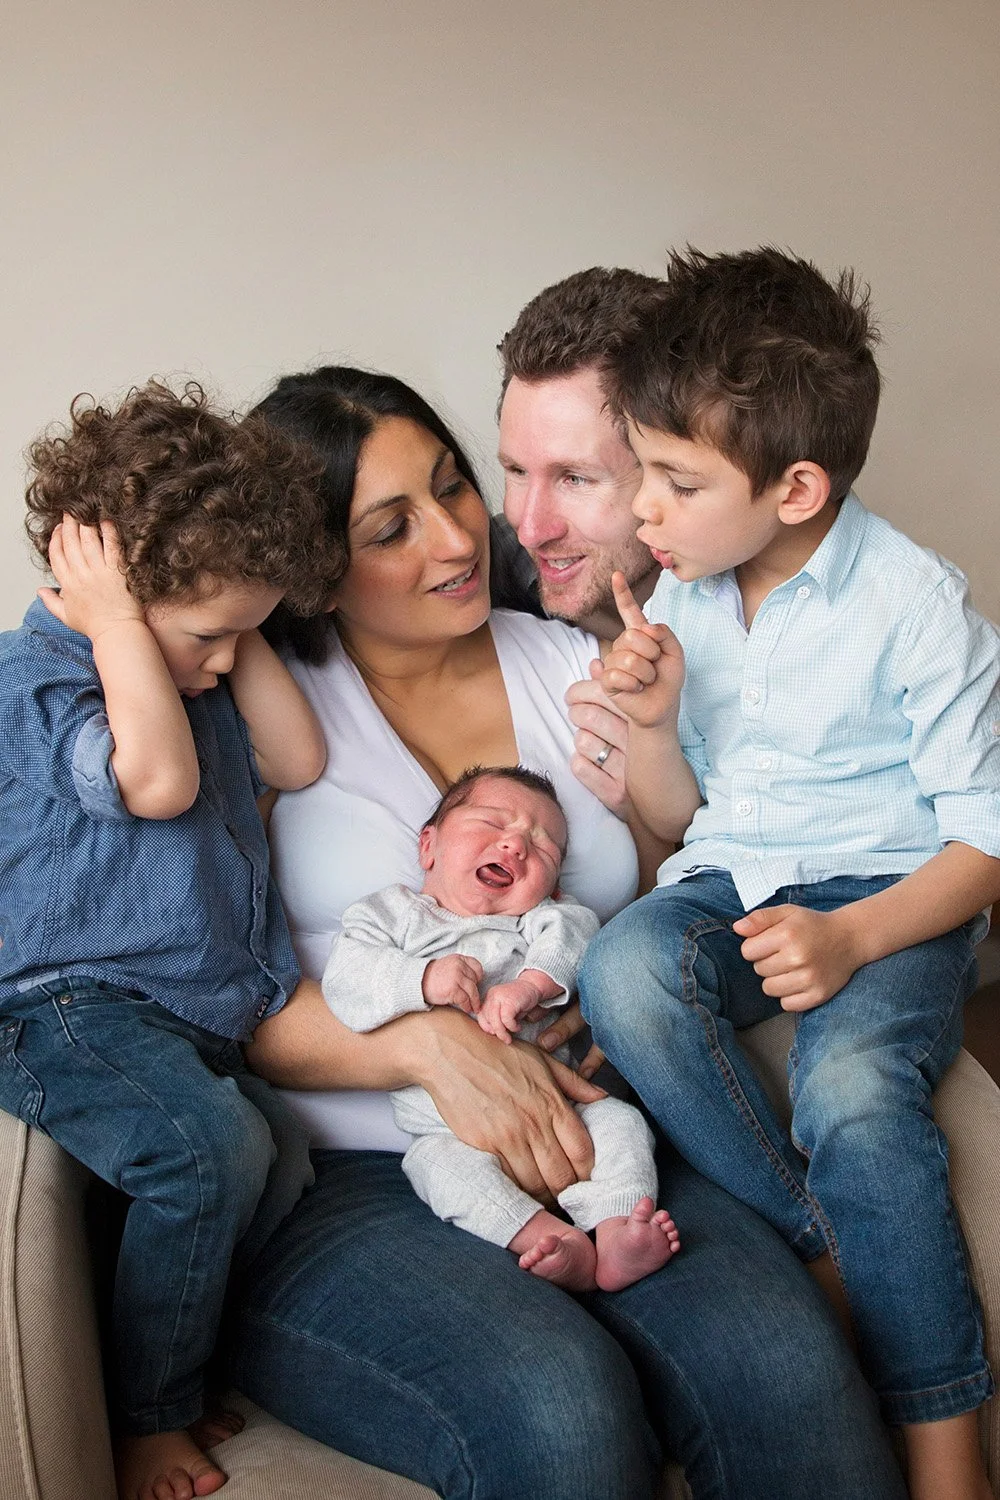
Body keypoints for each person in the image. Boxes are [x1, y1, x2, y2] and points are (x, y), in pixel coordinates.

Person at [226, 361, 908, 1499]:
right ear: (311, 564)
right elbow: (210, 991)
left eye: (453, 487)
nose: (455, 540)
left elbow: (654, 898)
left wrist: (647, 805)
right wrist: (429, 1049)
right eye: (391, 525)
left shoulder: (568, 661)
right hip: (353, 1171)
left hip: (594, 1130)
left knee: (785, 1369)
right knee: (558, 1410)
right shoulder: (256, 709)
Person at [576, 247, 1000, 1500]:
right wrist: (653, 723)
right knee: (627, 968)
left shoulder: (917, 607)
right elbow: (690, 817)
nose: (639, 512)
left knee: (860, 1094)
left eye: (674, 481)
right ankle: (816, 1242)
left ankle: (945, 1450)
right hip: (739, 876)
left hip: (890, 893)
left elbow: (986, 841)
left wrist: (859, 939)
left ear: (796, 487)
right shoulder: (691, 597)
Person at [0, 381, 339, 1500]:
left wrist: (228, 638)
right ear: (120, 602)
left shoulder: (188, 667)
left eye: (244, 632)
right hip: (64, 1004)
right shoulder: (39, 677)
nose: (219, 659)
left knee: (276, 1163)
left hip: (187, 1015)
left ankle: (163, 1351)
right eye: (208, 635)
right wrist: (116, 629)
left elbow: (297, 763)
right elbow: (154, 783)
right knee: (208, 1152)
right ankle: (146, 1418)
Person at [324, 763, 678, 1292]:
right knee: (433, 1169)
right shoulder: (392, 915)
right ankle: (546, 1238)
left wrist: (532, 985)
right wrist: (421, 977)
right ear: (429, 847)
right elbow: (345, 979)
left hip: (565, 1106)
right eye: (492, 823)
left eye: (543, 848)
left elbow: (576, 937)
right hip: (448, 1128)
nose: (516, 844)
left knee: (622, 1124)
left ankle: (616, 1230)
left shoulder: (539, 918)